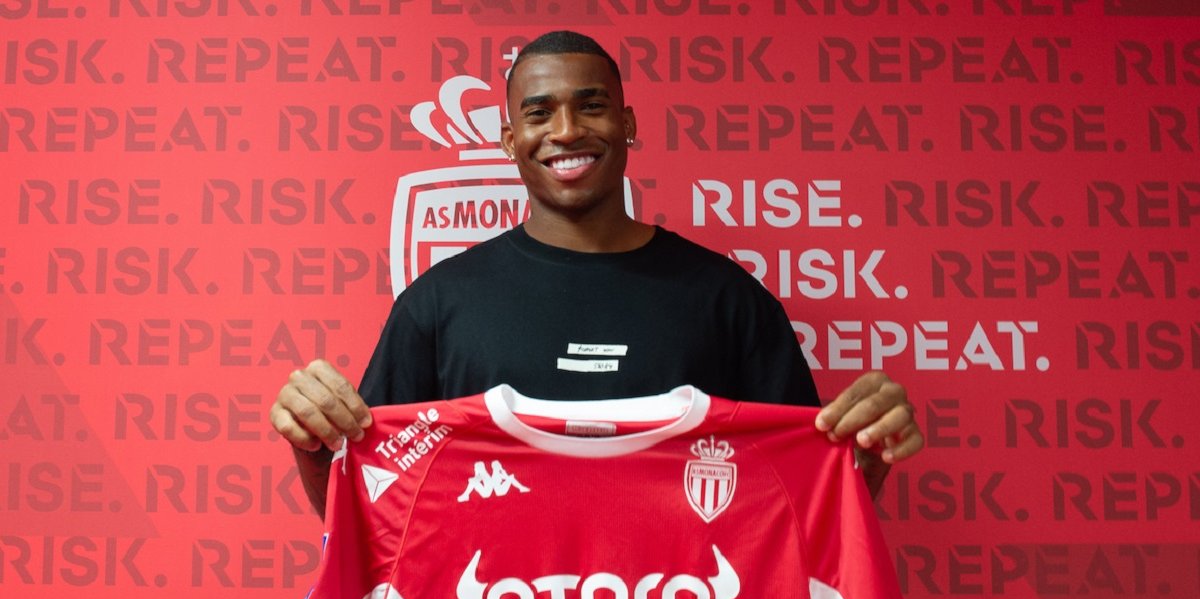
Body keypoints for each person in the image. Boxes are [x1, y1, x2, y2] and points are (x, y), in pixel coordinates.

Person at [270, 31, 923, 516]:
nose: (566, 130)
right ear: (509, 140)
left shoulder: (727, 301)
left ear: (626, 122)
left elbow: (807, 508)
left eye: (590, 106)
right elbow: (366, 510)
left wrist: (867, 458)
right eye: (538, 113)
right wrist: (313, 445)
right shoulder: (438, 304)